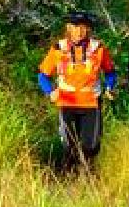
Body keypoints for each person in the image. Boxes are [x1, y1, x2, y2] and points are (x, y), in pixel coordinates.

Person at [37, 11, 117, 171]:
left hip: (91, 103)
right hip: (67, 102)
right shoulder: (58, 48)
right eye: (75, 27)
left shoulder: (98, 48)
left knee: (91, 146)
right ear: (68, 28)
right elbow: (42, 75)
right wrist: (50, 91)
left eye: (83, 27)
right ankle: (70, 180)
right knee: (69, 145)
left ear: (88, 29)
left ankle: (87, 176)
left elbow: (110, 72)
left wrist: (109, 87)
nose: (79, 31)